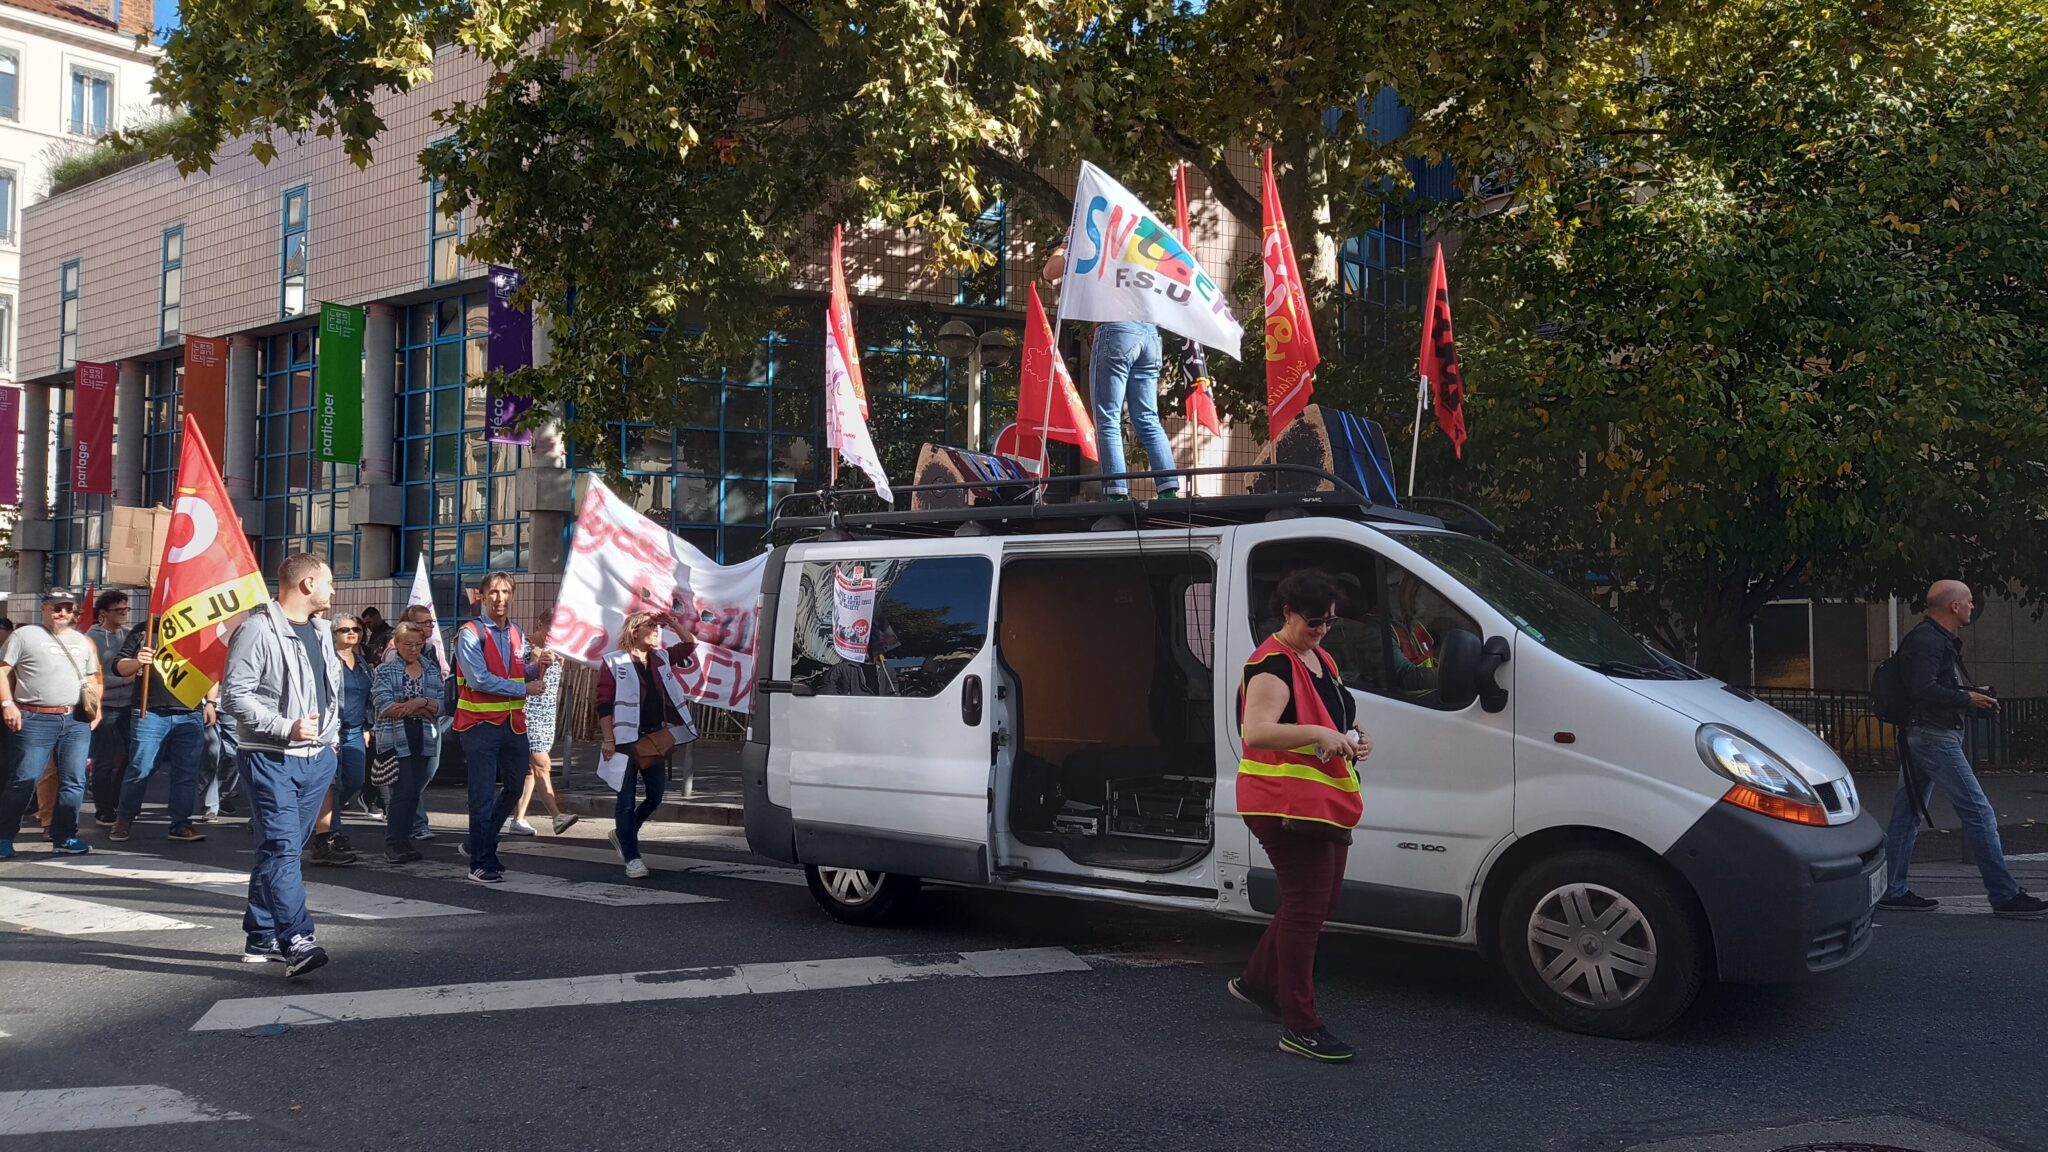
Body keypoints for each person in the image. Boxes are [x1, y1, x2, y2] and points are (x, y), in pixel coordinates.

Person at [1231, 569, 1372, 1062]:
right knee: (1307, 908)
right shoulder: (1271, 665)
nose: (1323, 630)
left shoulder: (1319, 658)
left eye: (1331, 621)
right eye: (1315, 621)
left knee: (1316, 902)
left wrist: (1356, 736)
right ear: (1287, 612)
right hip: (1281, 803)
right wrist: (1318, 733)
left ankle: (1257, 983)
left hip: (1319, 801)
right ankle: (1300, 1026)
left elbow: (1335, 713)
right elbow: (1256, 732)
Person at [1877, 580, 2047, 919]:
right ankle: (2004, 895)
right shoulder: (1929, 640)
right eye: (1969, 601)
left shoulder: (1932, 638)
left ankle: (1892, 890)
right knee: (1978, 812)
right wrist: (1967, 697)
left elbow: (1931, 686)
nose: (1972, 606)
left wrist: (1972, 693)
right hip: (1934, 736)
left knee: (1907, 814)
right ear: (1954, 606)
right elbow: (1923, 689)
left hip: (1924, 733)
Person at [221, 553, 342, 977]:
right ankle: (297, 939)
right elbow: (234, 695)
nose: (333, 589)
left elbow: (330, 692)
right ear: (308, 584)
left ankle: (261, 935)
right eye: (329, 581)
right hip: (269, 756)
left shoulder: (322, 631)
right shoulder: (257, 630)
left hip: (316, 758)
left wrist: (331, 741)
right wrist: (285, 727)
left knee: (278, 849)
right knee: (283, 848)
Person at [1042, 243, 1181, 500]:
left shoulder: (1095, 238)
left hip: (1115, 328)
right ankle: (1168, 489)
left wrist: (1065, 245)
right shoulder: (1139, 241)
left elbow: (1050, 271)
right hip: (1149, 333)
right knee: (1147, 417)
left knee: (1108, 418)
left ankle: (1116, 492)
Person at [453, 571, 556, 884]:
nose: (500, 598)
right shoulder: (470, 633)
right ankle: (480, 861)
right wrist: (525, 688)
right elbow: (478, 679)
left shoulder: (516, 632)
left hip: (513, 724)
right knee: (482, 794)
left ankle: (479, 843)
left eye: (506, 592)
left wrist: (539, 666)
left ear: (513, 595)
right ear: (483, 596)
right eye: (494, 592)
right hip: (478, 725)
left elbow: (516, 672)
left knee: (514, 787)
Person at [0, 595, 103, 860]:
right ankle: (4, 837)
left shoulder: (82, 641)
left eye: (68, 609)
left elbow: (92, 677)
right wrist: (7, 704)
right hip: (35, 718)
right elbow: (2, 670)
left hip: (76, 719)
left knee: (75, 781)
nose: (62, 613)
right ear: (44, 609)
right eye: (57, 608)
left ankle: (65, 837)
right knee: (24, 779)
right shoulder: (24, 636)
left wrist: (97, 708)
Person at [597, 611, 698, 878]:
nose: (656, 630)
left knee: (655, 796)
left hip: (654, 738)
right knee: (625, 801)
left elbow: (690, 644)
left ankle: (624, 833)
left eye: (657, 626)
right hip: (624, 741)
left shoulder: (660, 657)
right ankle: (632, 858)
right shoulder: (614, 661)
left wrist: (672, 622)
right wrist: (608, 739)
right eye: (650, 626)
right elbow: (603, 704)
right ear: (634, 631)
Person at [110, 617, 212, 844]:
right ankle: (124, 818)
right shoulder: (145, 629)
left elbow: (210, 668)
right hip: (150, 711)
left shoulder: (200, 628)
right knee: (140, 767)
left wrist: (211, 702)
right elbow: (118, 666)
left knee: (186, 773)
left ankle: (181, 823)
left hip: (190, 711)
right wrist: (138, 661)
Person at [373, 622, 442, 864]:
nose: (413, 649)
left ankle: (405, 840)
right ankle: (394, 842)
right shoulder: (385, 670)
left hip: (424, 735)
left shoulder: (430, 669)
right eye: (408, 644)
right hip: (395, 736)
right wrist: (422, 707)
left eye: (418, 644)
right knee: (403, 790)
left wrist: (416, 703)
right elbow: (385, 705)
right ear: (397, 644)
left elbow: (440, 705)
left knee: (414, 791)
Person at [305, 613, 370, 866]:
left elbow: (367, 697)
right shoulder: (327, 660)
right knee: (331, 785)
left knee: (354, 780)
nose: (352, 633)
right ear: (333, 635)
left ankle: (322, 818)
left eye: (356, 629)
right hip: (331, 730)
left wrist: (367, 726)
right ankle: (330, 835)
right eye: (345, 630)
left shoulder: (362, 662)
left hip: (355, 730)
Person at [509, 623, 578, 837]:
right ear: (541, 627)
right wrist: (534, 662)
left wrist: (557, 660)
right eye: (550, 631)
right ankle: (557, 816)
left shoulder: (556, 651)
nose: (553, 637)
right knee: (543, 764)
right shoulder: (524, 649)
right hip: (527, 715)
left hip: (546, 716)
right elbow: (513, 676)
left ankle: (518, 819)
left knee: (531, 770)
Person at [392, 603, 449, 842]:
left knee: (428, 771)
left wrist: (424, 704)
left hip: (430, 722)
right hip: (402, 727)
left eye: (430, 623)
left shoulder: (430, 652)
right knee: (406, 780)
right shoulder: (393, 656)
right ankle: (412, 825)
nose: (429, 627)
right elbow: (393, 700)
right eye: (424, 623)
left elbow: (440, 696)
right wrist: (420, 705)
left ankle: (405, 812)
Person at [86, 589, 138, 826]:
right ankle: (104, 808)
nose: (123, 614)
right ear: (103, 613)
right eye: (118, 610)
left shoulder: (131, 635)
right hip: (104, 706)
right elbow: (90, 677)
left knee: (131, 755)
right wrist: (123, 680)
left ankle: (116, 800)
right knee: (104, 759)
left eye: (126, 609)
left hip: (129, 705)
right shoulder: (91, 638)